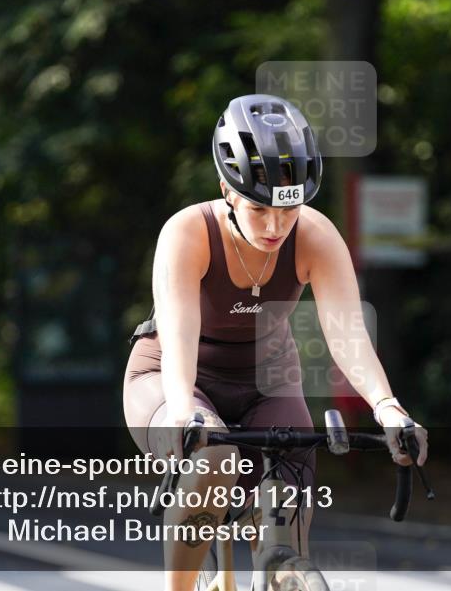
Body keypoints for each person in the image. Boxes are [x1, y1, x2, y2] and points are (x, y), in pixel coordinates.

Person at [123, 94, 429, 591]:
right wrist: (184, 410)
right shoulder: (187, 233)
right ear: (226, 189)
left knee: (285, 504)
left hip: (266, 381)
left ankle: (281, 571)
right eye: (259, 209)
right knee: (213, 461)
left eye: (289, 211)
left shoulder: (315, 237)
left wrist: (387, 407)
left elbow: (347, 334)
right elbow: (179, 332)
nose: (275, 227)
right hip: (172, 376)